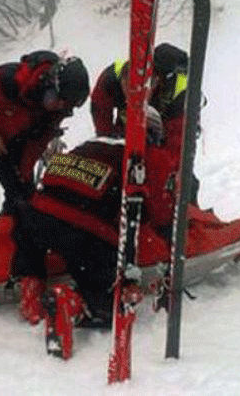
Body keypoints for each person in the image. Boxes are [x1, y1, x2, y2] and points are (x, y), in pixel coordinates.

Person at [10, 111, 177, 359]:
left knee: (31, 241)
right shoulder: (146, 156)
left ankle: (30, 285)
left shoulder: (91, 144)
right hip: (84, 227)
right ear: (152, 134)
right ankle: (73, 303)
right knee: (113, 303)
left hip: (34, 214)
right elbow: (161, 212)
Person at [0, 51, 89, 221]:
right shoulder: (9, 79)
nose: (57, 106)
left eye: (64, 104)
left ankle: (7, 237)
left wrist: (23, 177)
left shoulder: (55, 111)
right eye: (57, 99)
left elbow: (36, 144)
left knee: (22, 198)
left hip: (14, 139)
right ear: (49, 84)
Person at [91, 42, 200, 201]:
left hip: (161, 144)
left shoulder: (180, 96)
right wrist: (110, 143)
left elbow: (178, 151)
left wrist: (159, 175)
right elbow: (100, 110)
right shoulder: (113, 77)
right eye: (127, 87)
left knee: (182, 186)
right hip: (125, 138)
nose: (131, 92)